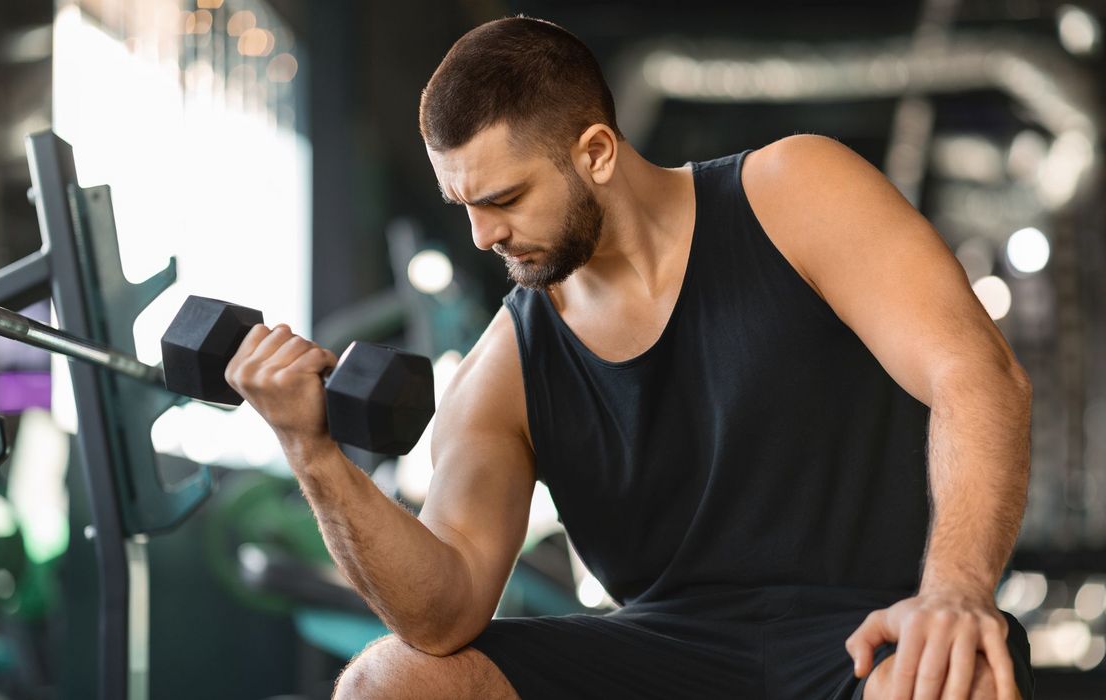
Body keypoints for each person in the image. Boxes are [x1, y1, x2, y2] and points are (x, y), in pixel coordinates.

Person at [224, 15, 1035, 700]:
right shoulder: (506, 367)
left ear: (598, 153)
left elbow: (976, 374)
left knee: (953, 679)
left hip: (875, 625)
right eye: (463, 206)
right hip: (663, 654)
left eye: (504, 199)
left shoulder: (794, 192)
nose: (482, 236)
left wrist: (955, 591)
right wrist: (312, 451)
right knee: (390, 681)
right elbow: (443, 616)